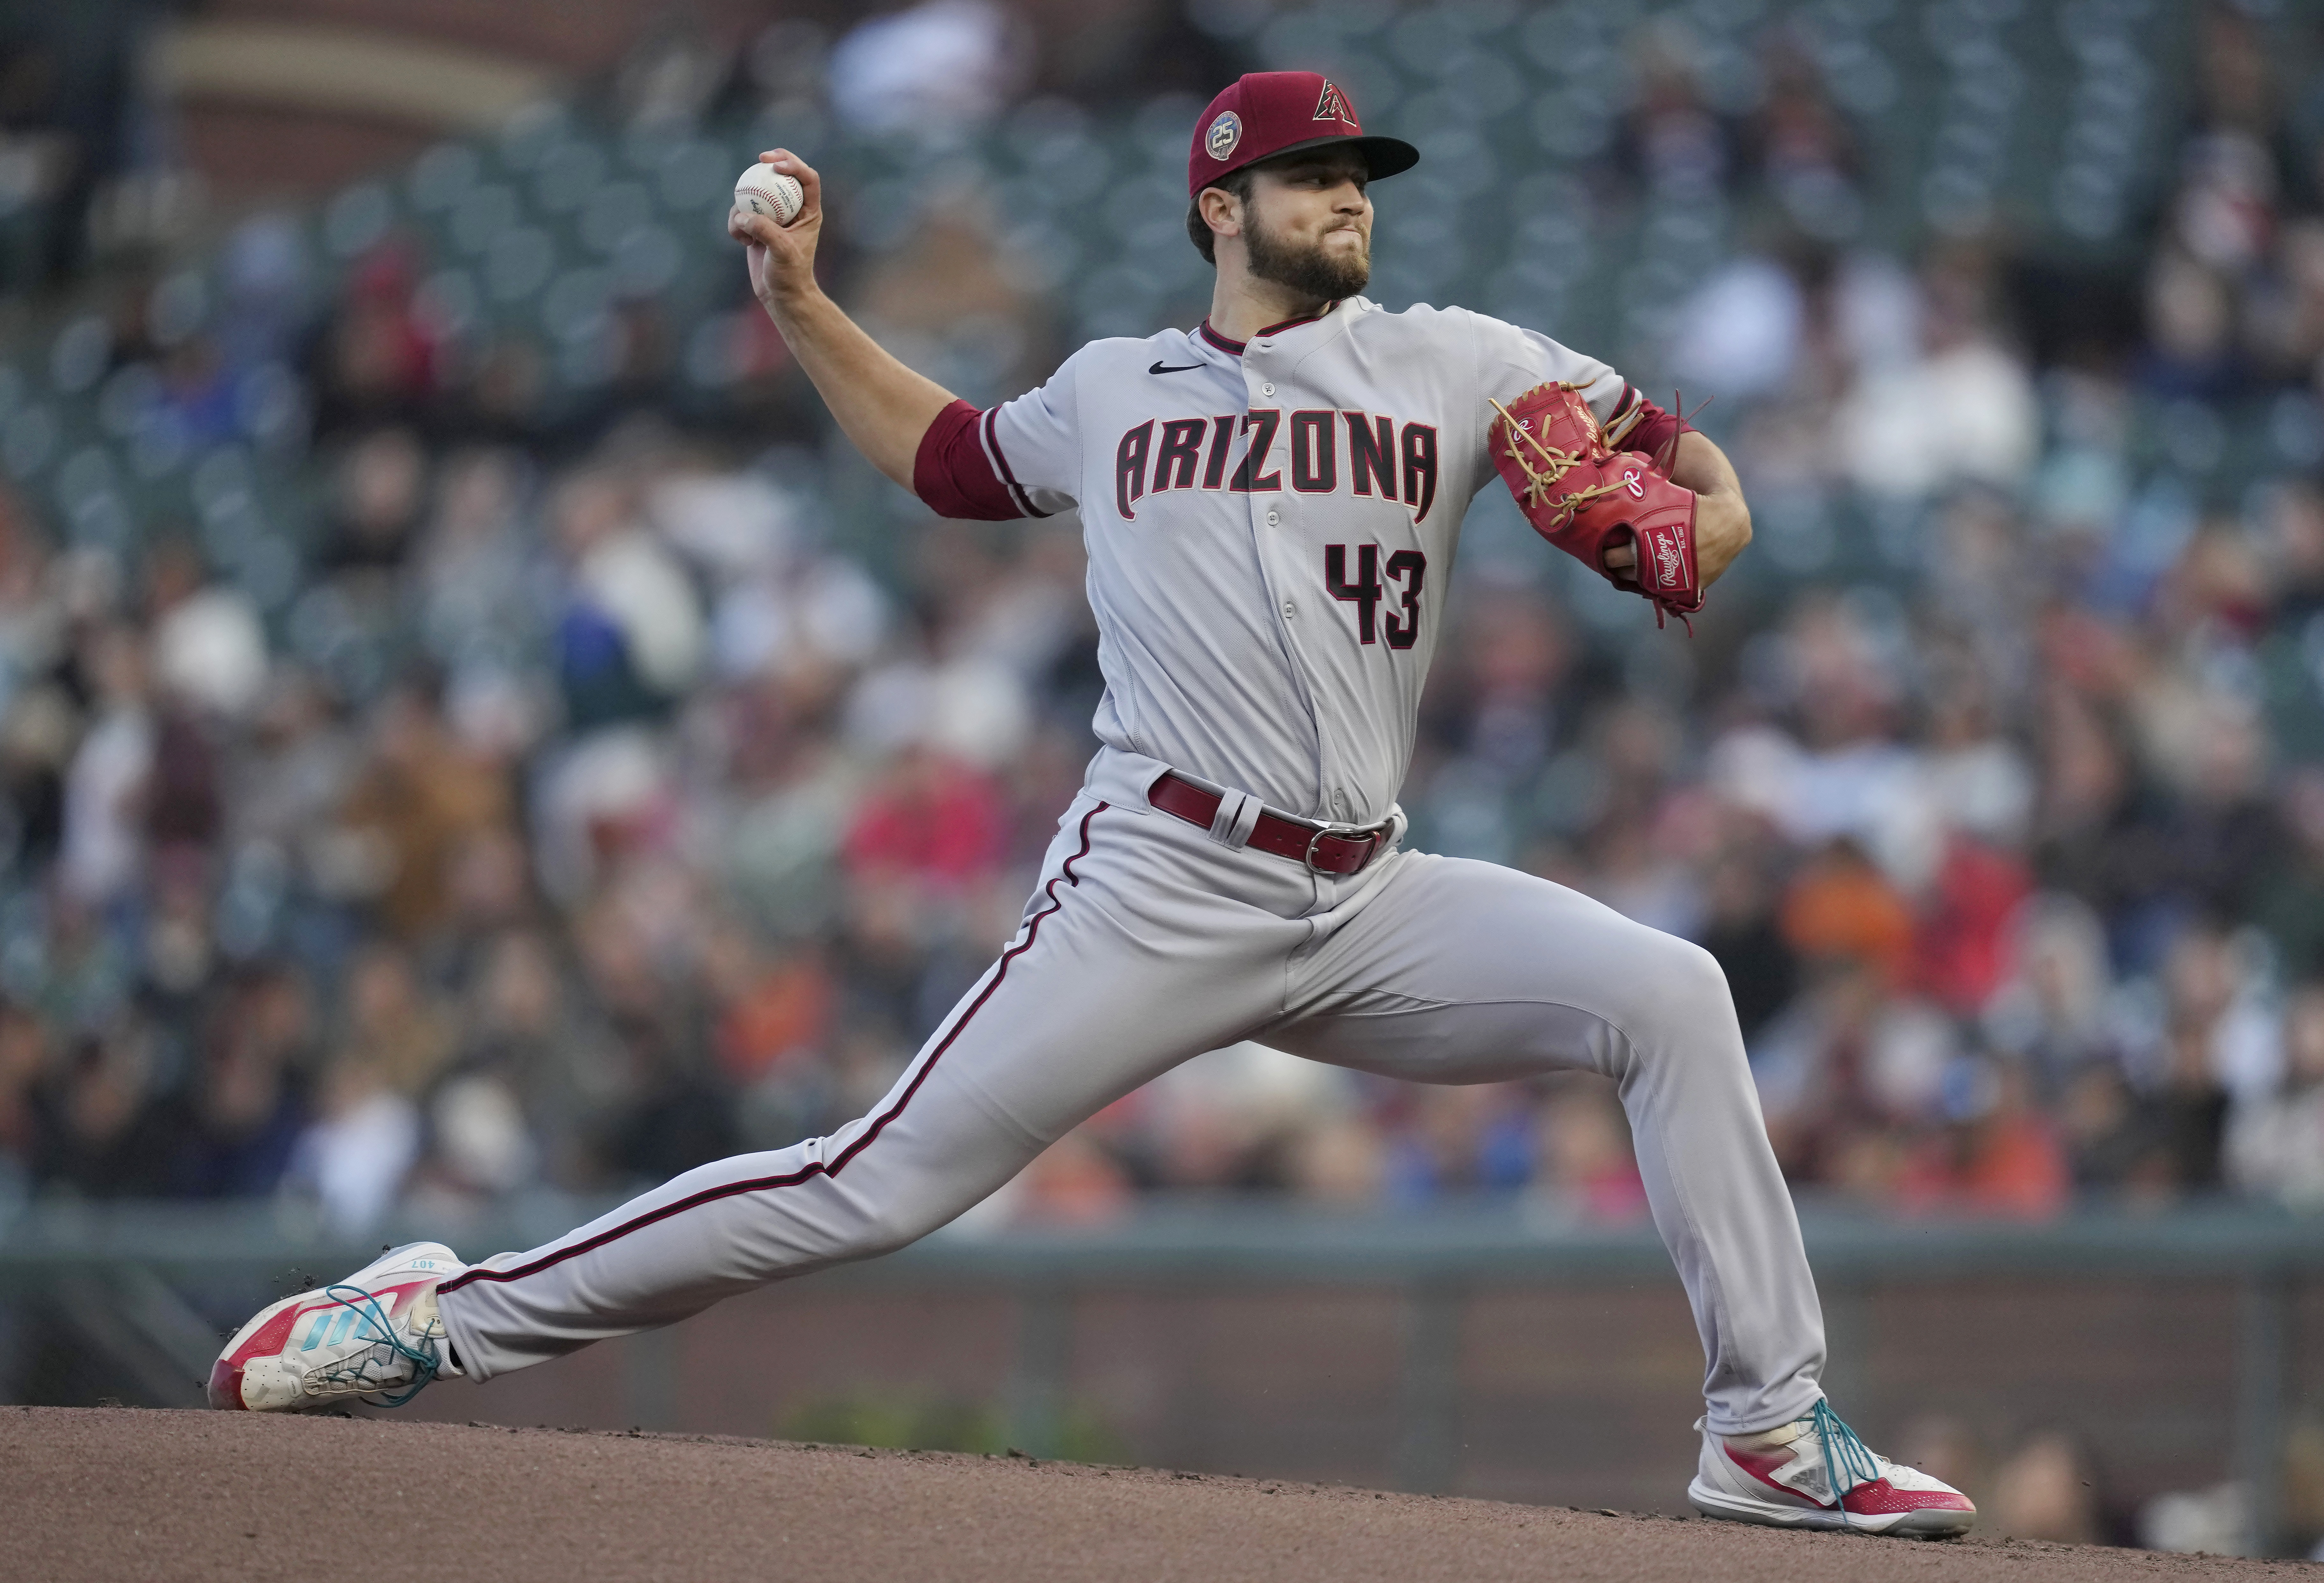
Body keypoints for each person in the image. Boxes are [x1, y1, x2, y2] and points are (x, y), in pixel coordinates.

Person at [209, 72, 1974, 1536]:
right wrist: (809, 312)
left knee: (1670, 992)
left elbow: (1661, 479)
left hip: (1369, 896)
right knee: (870, 1184)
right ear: (1224, 203)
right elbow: (952, 457)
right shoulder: (1114, 388)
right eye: (1313, 175)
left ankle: (1766, 1428)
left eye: (1361, 174)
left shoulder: (1454, 354)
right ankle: (439, 1320)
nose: (1350, 196)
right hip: (1160, 880)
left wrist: (1707, 497)